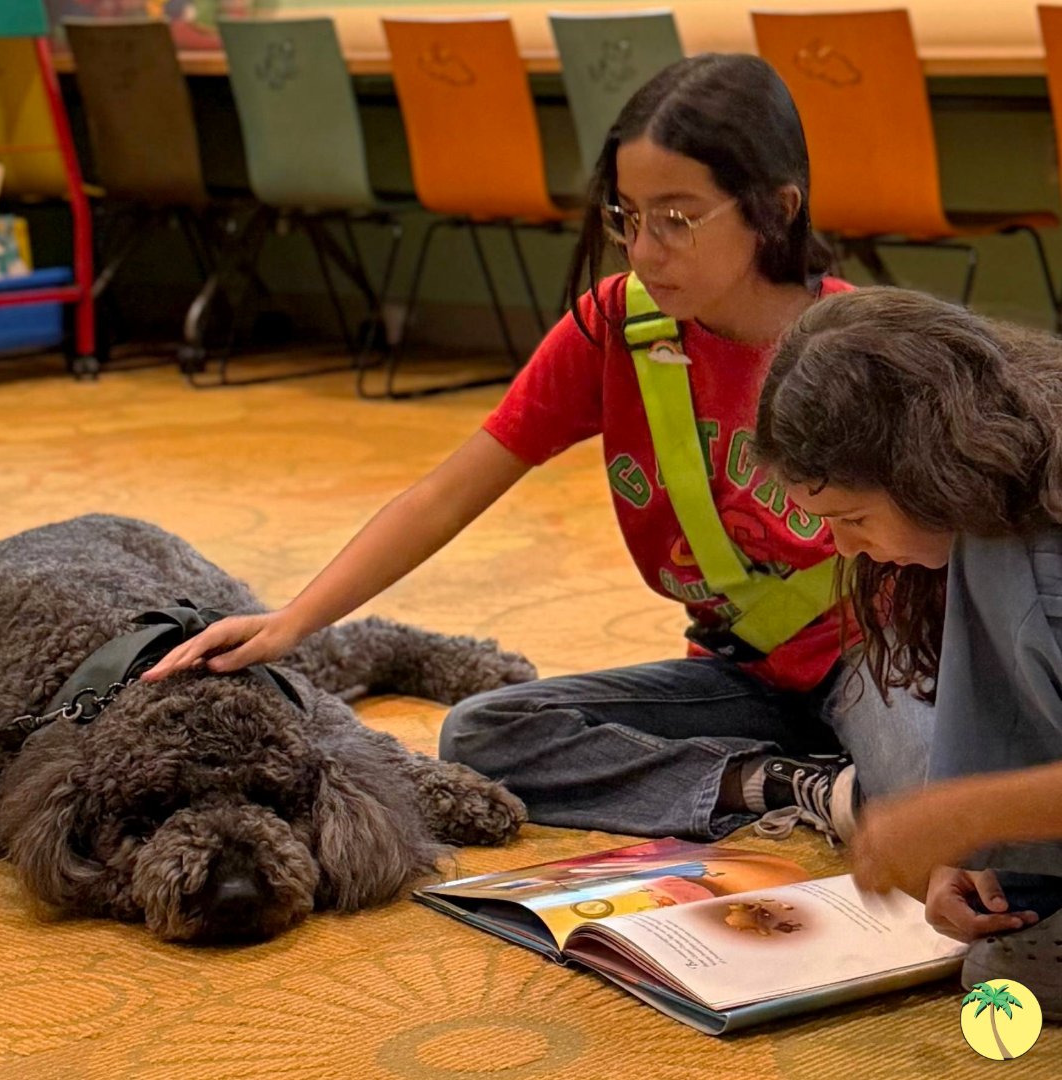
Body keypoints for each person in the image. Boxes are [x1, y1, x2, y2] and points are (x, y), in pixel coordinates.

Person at [144, 54, 932, 845]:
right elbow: (447, 493)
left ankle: (851, 775)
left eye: (678, 219)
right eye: (628, 216)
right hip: (737, 676)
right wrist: (295, 621)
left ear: (775, 207)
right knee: (485, 734)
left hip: (880, 665)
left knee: (938, 793)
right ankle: (780, 784)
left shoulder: (856, 347)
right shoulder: (618, 328)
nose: (644, 251)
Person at [753, 285, 1062, 1015]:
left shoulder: (1039, 557)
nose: (845, 547)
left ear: (930, 468)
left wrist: (967, 814)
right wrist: (971, 840)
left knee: (1015, 981)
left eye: (853, 518)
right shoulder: (996, 507)